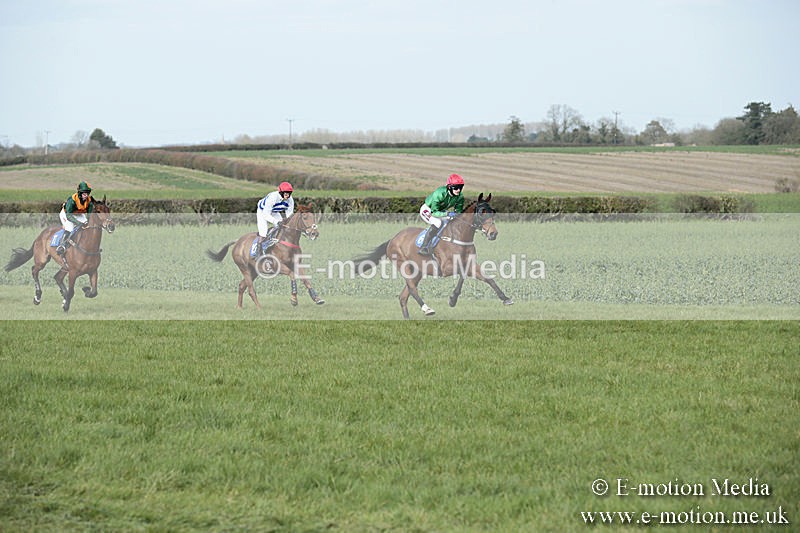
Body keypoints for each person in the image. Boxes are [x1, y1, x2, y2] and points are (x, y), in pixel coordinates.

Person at [418, 173, 465, 255]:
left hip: (441, 211)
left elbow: (458, 211)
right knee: (438, 223)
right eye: (456, 188)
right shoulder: (439, 193)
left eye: (460, 187)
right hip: (428, 210)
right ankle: (424, 246)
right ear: (449, 187)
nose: (458, 190)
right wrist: (447, 214)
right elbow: (434, 212)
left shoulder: (460, 197)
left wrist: (456, 215)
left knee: (449, 223)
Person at [57, 181, 95, 255]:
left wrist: (88, 222)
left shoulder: (89, 201)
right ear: (80, 193)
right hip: (67, 214)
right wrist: (78, 223)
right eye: (84, 193)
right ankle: (62, 246)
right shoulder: (72, 200)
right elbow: (68, 216)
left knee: (87, 225)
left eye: (87, 193)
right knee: (70, 228)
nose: (86, 195)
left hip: (79, 214)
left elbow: (89, 215)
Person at [256, 181, 294, 252]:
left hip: (274, 211)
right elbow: (266, 214)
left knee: (282, 228)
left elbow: (290, 215)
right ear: (281, 193)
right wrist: (276, 222)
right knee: (263, 233)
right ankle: (258, 252)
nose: (288, 196)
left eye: (289, 193)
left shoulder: (290, 200)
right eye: (286, 193)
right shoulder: (273, 197)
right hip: (263, 212)